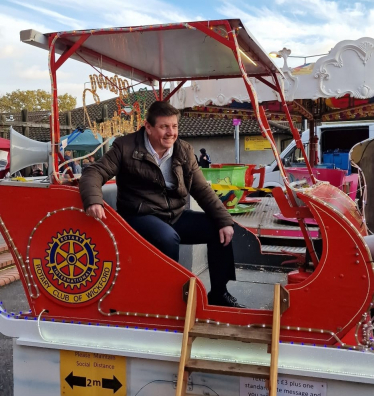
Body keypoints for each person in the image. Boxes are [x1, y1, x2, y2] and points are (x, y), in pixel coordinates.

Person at [79, 101, 244, 308]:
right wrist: (94, 200)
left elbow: (202, 189)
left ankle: (219, 293)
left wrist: (224, 221)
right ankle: (168, 298)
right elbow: (94, 172)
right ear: (148, 127)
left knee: (219, 230)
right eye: (164, 126)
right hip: (139, 216)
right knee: (167, 237)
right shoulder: (125, 147)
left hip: (174, 215)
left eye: (174, 126)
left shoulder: (183, 150)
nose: (171, 132)